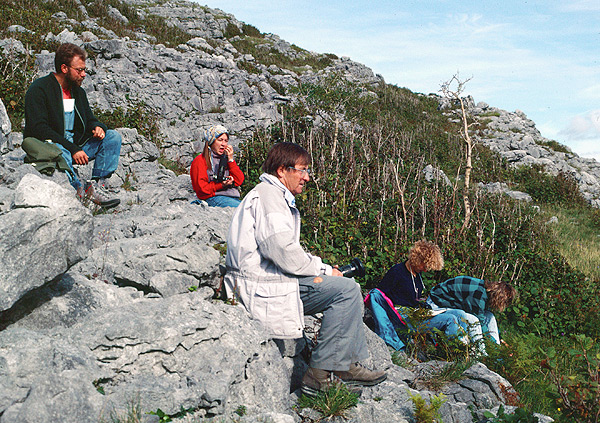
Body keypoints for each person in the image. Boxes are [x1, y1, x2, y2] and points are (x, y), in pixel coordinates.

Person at [224, 142, 386, 397]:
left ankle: (342, 364)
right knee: (344, 291)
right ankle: (319, 375)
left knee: (350, 288)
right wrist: (323, 270)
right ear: (281, 170)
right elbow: (283, 251)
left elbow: (283, 251)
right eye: (302, 170)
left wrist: (320, 269)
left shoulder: (271, 195)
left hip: (268, 280)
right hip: (260, 285)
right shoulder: (268, 197)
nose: (307, 177)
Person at [24, 42, 121, 209]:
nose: (83, 74)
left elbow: (89, 119)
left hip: (74, 144)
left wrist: (98, 127)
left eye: (84, 70)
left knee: (112, 137)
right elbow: (39, 128)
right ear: (64, 68)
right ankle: (78, 189)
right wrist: (73, 148)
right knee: (62, 152)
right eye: (79, 70)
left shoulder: (78, 92)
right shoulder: (39, 89)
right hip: (50, 144)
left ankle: (98, 185)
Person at [367, 240, 469, 350]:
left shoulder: (417, 275)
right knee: (450, 319)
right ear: (417, 259)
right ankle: (453, 351)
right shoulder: (397, 272)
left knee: (460, 314)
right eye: (424, 266)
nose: (425, 269)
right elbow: (379, 296)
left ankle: (464, 348)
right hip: (404, 318)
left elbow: (412, 297)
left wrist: (422, 304)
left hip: (417, 313)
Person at [428, 276, 517, 346]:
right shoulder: (478, 296)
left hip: (451, 304)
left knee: (490, 316)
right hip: (436, 304)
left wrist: (500, 339)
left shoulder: (486, 291)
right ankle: (482, 355)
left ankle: (496, 349)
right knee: (473, 320)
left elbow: (486, 320)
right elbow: (481, 324)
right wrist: (492, 344)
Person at [190, 125, 244, 208]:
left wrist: (231, 160)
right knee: (244, 209)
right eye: (220, 140)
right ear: (211, 142)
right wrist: (221, 185)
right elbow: (201, 189)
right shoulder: (200, 161)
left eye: (226, 141)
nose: (223, 144)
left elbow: (239, 180)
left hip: (232, 197)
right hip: (213, 198)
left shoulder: (226, 158)